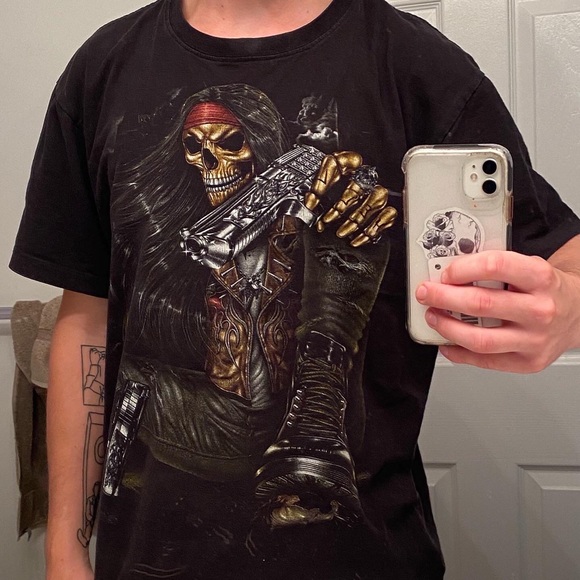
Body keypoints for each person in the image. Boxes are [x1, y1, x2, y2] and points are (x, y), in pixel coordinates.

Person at [9, 0, 580, 578]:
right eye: (197, 149)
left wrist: (569, 306)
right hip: (154, 543)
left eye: (228, 144)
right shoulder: (105, 68)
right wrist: (65, 549)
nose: (211, 163)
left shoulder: (414, 63)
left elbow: (566, 255)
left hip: (360, 550)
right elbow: (87, 324)